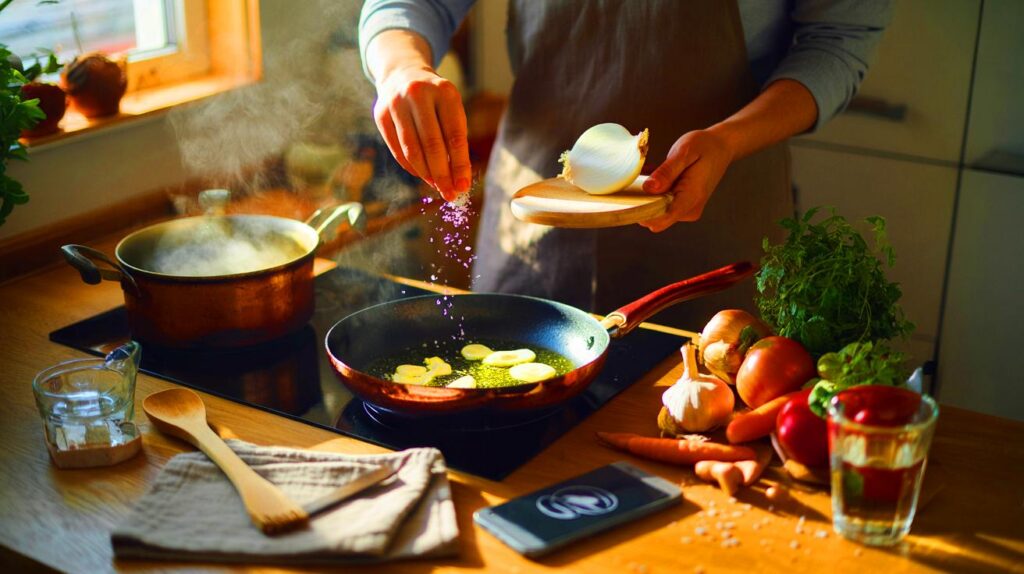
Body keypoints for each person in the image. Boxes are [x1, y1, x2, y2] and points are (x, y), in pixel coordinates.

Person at [358, 0, 893, 328]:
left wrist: (729, 139)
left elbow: (837, 41)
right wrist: (401, 68)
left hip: (714, 221)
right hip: (538, 220)